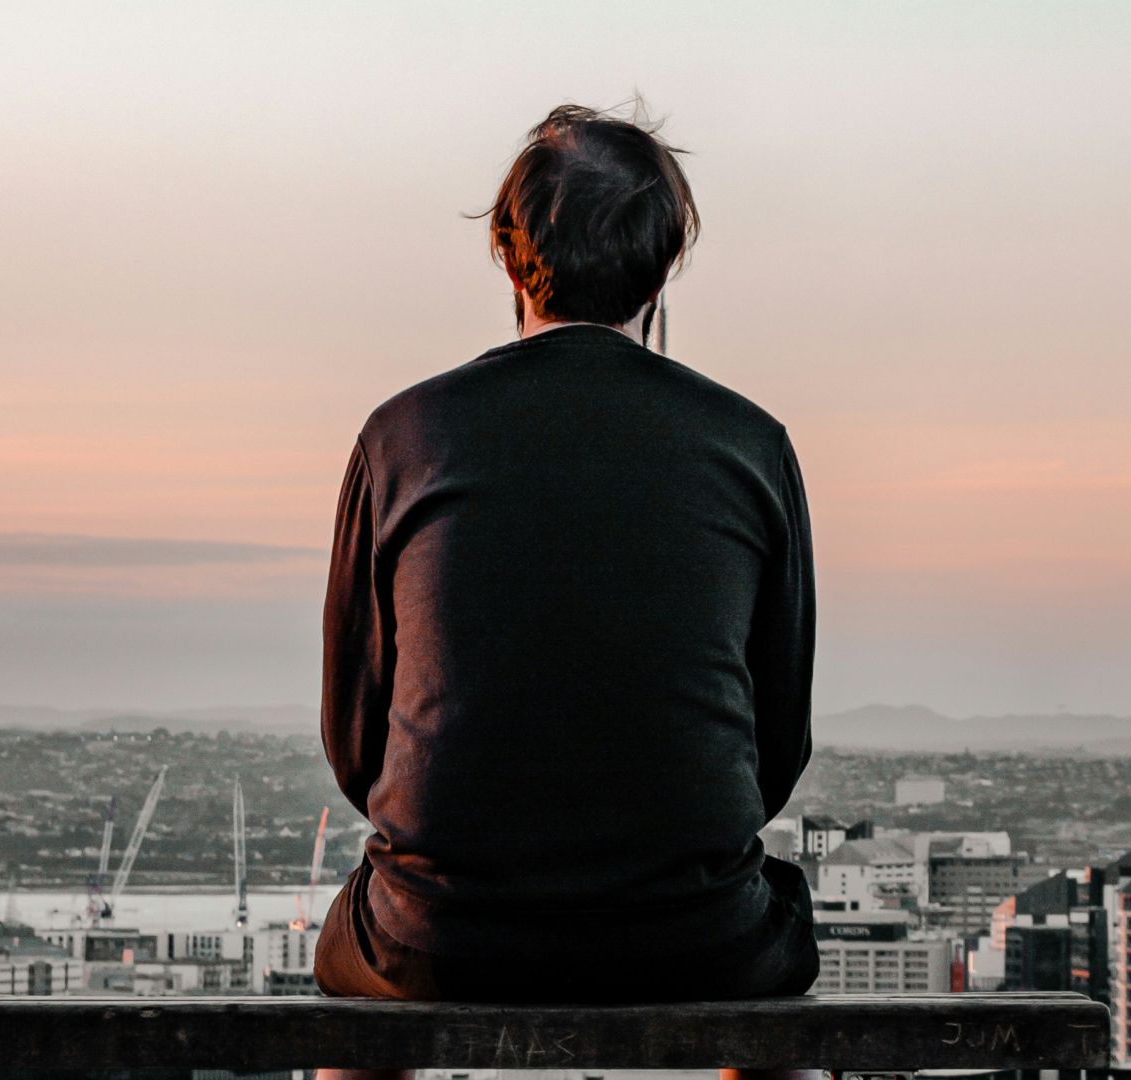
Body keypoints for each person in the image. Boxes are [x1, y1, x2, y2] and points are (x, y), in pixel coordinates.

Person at [313, 101, 819, 1080]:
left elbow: (356, 743)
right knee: (772, 1001)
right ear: (665, 267)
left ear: (509, 258)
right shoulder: (751, 446)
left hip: (442, 934)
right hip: (694, 936)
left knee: (355, 1006)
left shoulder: (403, 436)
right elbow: (777, 749)